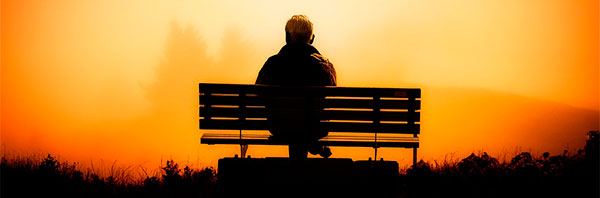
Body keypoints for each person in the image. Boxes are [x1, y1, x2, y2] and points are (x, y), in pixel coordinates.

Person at [255, 15, 336, 159]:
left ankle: (309, 146)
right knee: (306, 125)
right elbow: (332, 95)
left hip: (280, 127)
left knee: (293, 124)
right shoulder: (324, 65)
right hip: (314, 128)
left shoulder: (273, 63)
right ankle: (312, 143)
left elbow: (258, 94)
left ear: (286, 37)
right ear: (312, 39)